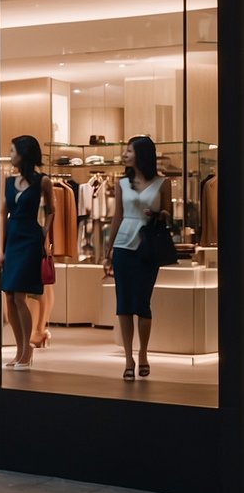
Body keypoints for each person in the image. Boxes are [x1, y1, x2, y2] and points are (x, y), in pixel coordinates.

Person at [103, 136, 171, 381]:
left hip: (148, 247)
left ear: (141, 154)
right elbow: (116, 218)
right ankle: (128, 358)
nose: (124, 154)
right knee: (123, 304)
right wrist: (107, 252)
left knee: (143, 303)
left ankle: (143, 353)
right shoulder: (122, 184)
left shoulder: (163, 183)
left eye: (129, 150)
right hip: (123, 246)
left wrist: (159, 214)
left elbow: (168, 216)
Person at [0, 135, 54, 371]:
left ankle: (27, 349)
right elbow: (2, 213)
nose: (10, 155)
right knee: (9, 296)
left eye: (13, 151)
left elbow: (51, 211)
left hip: (30, 238)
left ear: (24, 154)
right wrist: (1, 248)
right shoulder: (9, 181)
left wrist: (44, 233)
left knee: (19, 295)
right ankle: (19, 349)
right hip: (12, 238)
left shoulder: (43, 181)